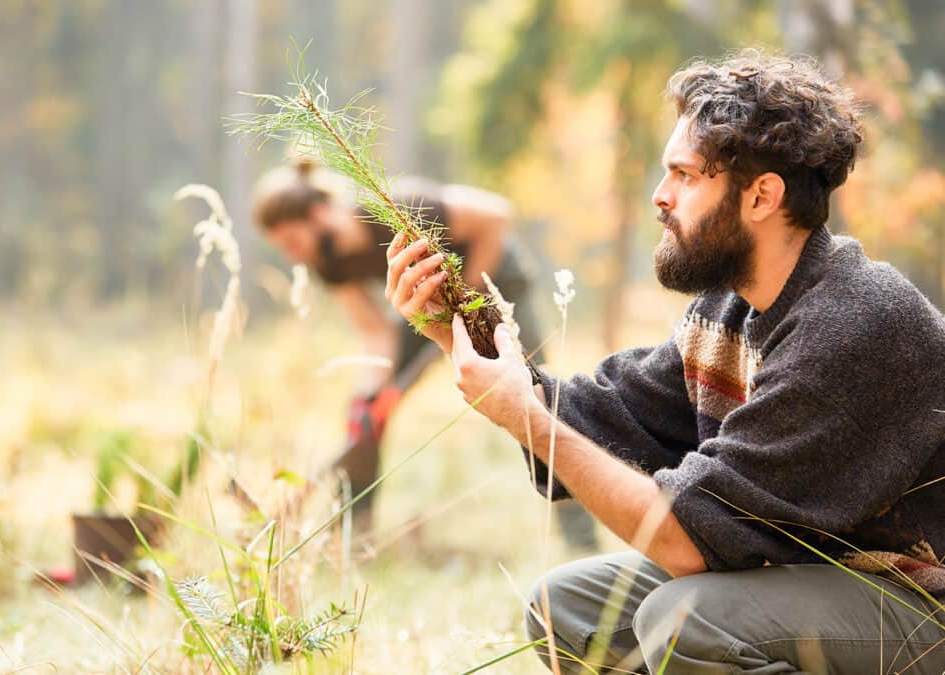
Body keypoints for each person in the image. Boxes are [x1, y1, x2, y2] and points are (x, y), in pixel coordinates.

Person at [386, 51, 944, 673]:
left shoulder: (855, 322)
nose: (660, 196)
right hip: (815, 575)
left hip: (921, 603)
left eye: (684, 175)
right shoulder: (729, 309)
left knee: (686, 617)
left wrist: (526, 417)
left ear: (762, 195)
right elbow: (605, 417)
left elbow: (688, 543)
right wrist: (456, 331)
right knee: (566, 609)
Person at [252, 160, 596, 545]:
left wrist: (464, 306)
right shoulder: (327, 262)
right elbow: (376, 332)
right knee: (365, 413)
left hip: (498, 285)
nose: (293, 255)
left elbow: (496, 216)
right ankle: (351, 534)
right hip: (428, 303)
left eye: (292, 242)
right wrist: (373, 394)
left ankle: (580, 537)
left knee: (539, 404)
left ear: (317, 214)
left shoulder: (394, 208)